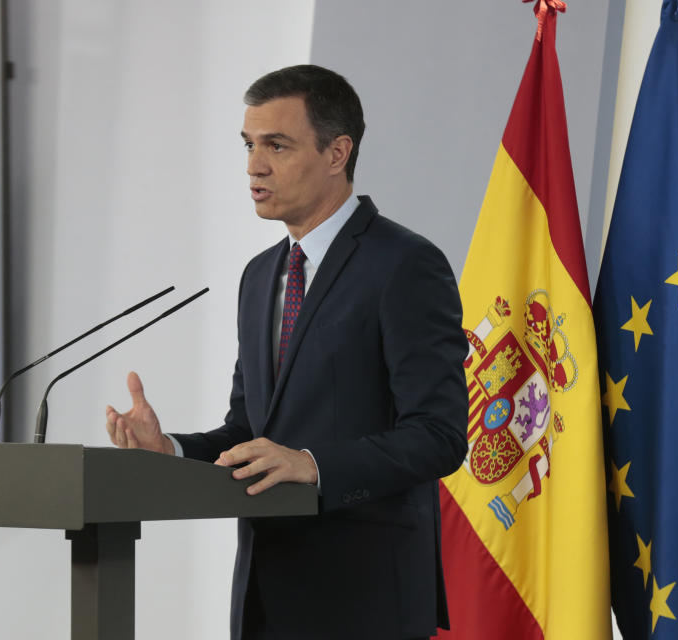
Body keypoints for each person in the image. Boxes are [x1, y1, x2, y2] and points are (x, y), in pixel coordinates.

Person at [105, 64, 468, 640]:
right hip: (265, 600)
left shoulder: (404, 265)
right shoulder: (261, 276)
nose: (254, 165)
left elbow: (440, 435)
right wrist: (169, 449)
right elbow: (249, 432)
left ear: (336, 153)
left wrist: (315, 465)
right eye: (249, 145)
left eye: (277, 145)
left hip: (366, 601)